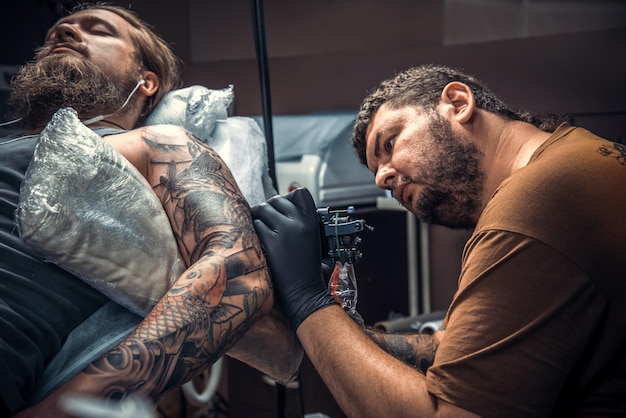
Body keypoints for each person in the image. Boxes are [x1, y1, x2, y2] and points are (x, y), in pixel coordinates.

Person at [251, 64, 626, 417]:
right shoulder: (579, 155)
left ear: (458, 103)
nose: (382, 177)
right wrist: (338, 333)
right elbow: (452, 349)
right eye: (375, 169)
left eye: (390, 143)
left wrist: (308, 302)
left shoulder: (531, 208)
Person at [0, 3, 300, 417]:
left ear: (146, 82)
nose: (65, 33)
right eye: (56, 32)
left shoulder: (155, 145)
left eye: (98, 30)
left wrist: (66, 408)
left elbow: (237, 276)